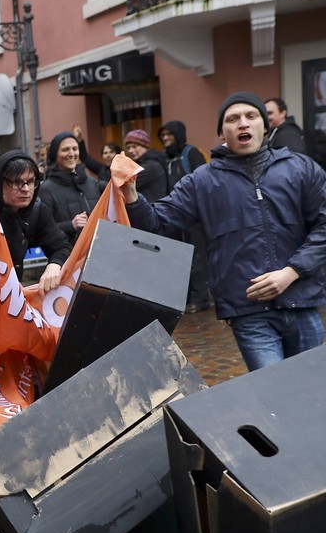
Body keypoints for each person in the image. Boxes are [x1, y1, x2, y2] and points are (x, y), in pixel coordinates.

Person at [123, 92, 326, 371]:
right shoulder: (201, 181)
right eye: (233, 119)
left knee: (310, 395)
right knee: (274, 397)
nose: (243, 123)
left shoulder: (300, 168)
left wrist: (292, 272)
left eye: (251, 116)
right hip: (249, 312)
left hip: (302, 302)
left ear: (265, 126)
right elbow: (156, 223)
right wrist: (131, 195)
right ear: (222, 132)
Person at [0, 150, 72, 294]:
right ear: (1, 183)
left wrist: (55, 264)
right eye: (18, 183)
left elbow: (61, 245)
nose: (26, 189)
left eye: (31, 182)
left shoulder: (37, 211)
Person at [159, 120, 210, 313]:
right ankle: (185, 298)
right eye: (163, 136)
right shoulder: (165, 158)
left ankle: (199, 299)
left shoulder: (191, 153)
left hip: (194, 215)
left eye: (169, 135)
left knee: (197, 258)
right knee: (179, 258)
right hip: (175, 214)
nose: (166, 139)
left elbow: (203, 181)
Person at [37, 131, 100, 244]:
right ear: (55, 154)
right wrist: (71, 225)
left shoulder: (92, 183)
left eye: (75, 149)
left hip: (98, 253)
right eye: (65, 150)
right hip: (68, 256)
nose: (71, 154)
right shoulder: (46, 189)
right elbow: (42, 231)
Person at [72, 122, 120, 191]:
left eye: (111, 152)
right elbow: (85, 158)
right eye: (105, 153)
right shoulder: (101, 169)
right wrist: (79, 139)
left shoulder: (124, 169)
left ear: (117, 154)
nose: (108, 155)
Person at [122, 129, 168, 201]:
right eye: (128, 147)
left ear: (145, 147)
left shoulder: (150, 166)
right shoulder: (143, 163)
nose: (130, 150)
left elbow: (125, 186)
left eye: (134, 146)